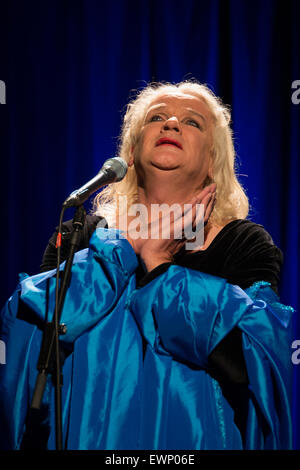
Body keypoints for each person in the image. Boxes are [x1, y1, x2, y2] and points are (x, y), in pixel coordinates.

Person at [0, 81, 294, 450]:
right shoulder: (83, 232)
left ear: (212, 161)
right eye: (157, 117)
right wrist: (127, 248)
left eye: (192, 122)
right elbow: (37, 343)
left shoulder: (243, 242)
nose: (171, 123)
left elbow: (252, 364)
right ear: (133, 151)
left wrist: (159, 264)